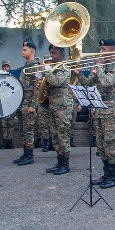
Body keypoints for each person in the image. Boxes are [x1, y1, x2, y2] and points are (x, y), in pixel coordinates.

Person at [73, 39, 115, 189]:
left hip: (111, 109)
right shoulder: (101, 66)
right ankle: (106, 174)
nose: (100, 52)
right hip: (99, 108)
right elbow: (89, 83)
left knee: (109, 145)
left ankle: (113, 177)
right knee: (100, 145)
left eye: (104, 49)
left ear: (113, 51)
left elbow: (107, 82)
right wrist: (79, 74)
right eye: (100, 49)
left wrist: (99, 65)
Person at [43, 45, 74, 175]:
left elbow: (57, 81)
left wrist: (46, 71)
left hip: (63, 107)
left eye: (54, 53)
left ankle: (65, 164)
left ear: (61, 52)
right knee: (55, 135)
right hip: (53, 105)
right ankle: (59, 161)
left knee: (63, 135)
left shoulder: (65, 67)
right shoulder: (52, 68)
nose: (51, 55)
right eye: (50, 52)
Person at [13, 41, 41, 166]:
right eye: (22, 49)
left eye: (25, 50)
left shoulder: (35, 67)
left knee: (29, 130)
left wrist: (33, 106)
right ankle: (25, 153)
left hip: (29, 104)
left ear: (32, 51)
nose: (22, 52)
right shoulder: (26, 66)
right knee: (23, 130)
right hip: (22, 103)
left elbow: (38, 87)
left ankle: (29, 155)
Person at [0, 60, 15, 149]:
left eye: (7, 66)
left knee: (11, 123)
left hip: (11, 103)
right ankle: (5, 141)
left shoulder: (12, 77)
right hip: (2, 103)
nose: (6, 68)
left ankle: (10, 141)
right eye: (4, 66)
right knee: (4, 123)